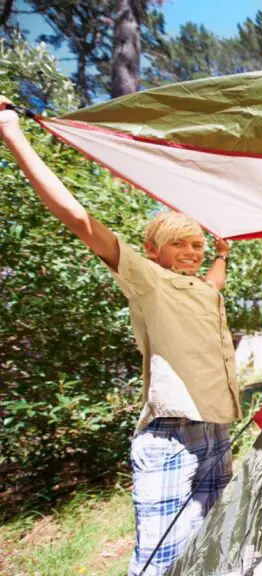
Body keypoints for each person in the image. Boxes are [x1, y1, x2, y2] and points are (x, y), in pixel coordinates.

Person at [0, 97, 240, 576]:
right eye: (179, 243)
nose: (190, 252)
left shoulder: (202, 292)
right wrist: (13, 134)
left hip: (217, 424)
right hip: (172, 432)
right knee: (159, 555)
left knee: (210, 537)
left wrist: (222, 252)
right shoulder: (147, 280)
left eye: (196, 244)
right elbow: (79, 220)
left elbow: (215, 282)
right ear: (153, 250)